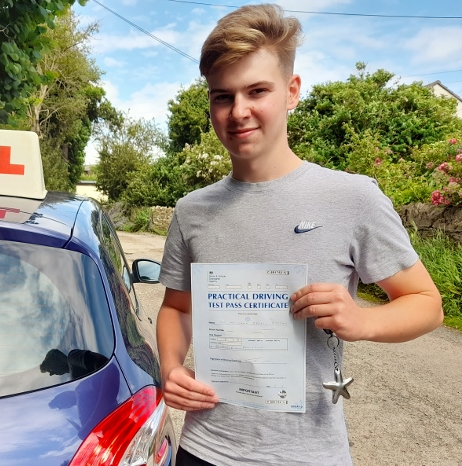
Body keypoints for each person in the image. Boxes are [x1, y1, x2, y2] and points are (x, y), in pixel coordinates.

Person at [156, 4, 443, 465]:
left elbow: (427, 305)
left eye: (257, 91)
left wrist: (363, 321)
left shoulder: (353, 197)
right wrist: (171, 367)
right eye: (222, 96)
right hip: (202, 448)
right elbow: (176, 308)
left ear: (291, 92)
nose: (239, 111)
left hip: (307, 454)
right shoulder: (192, 211)